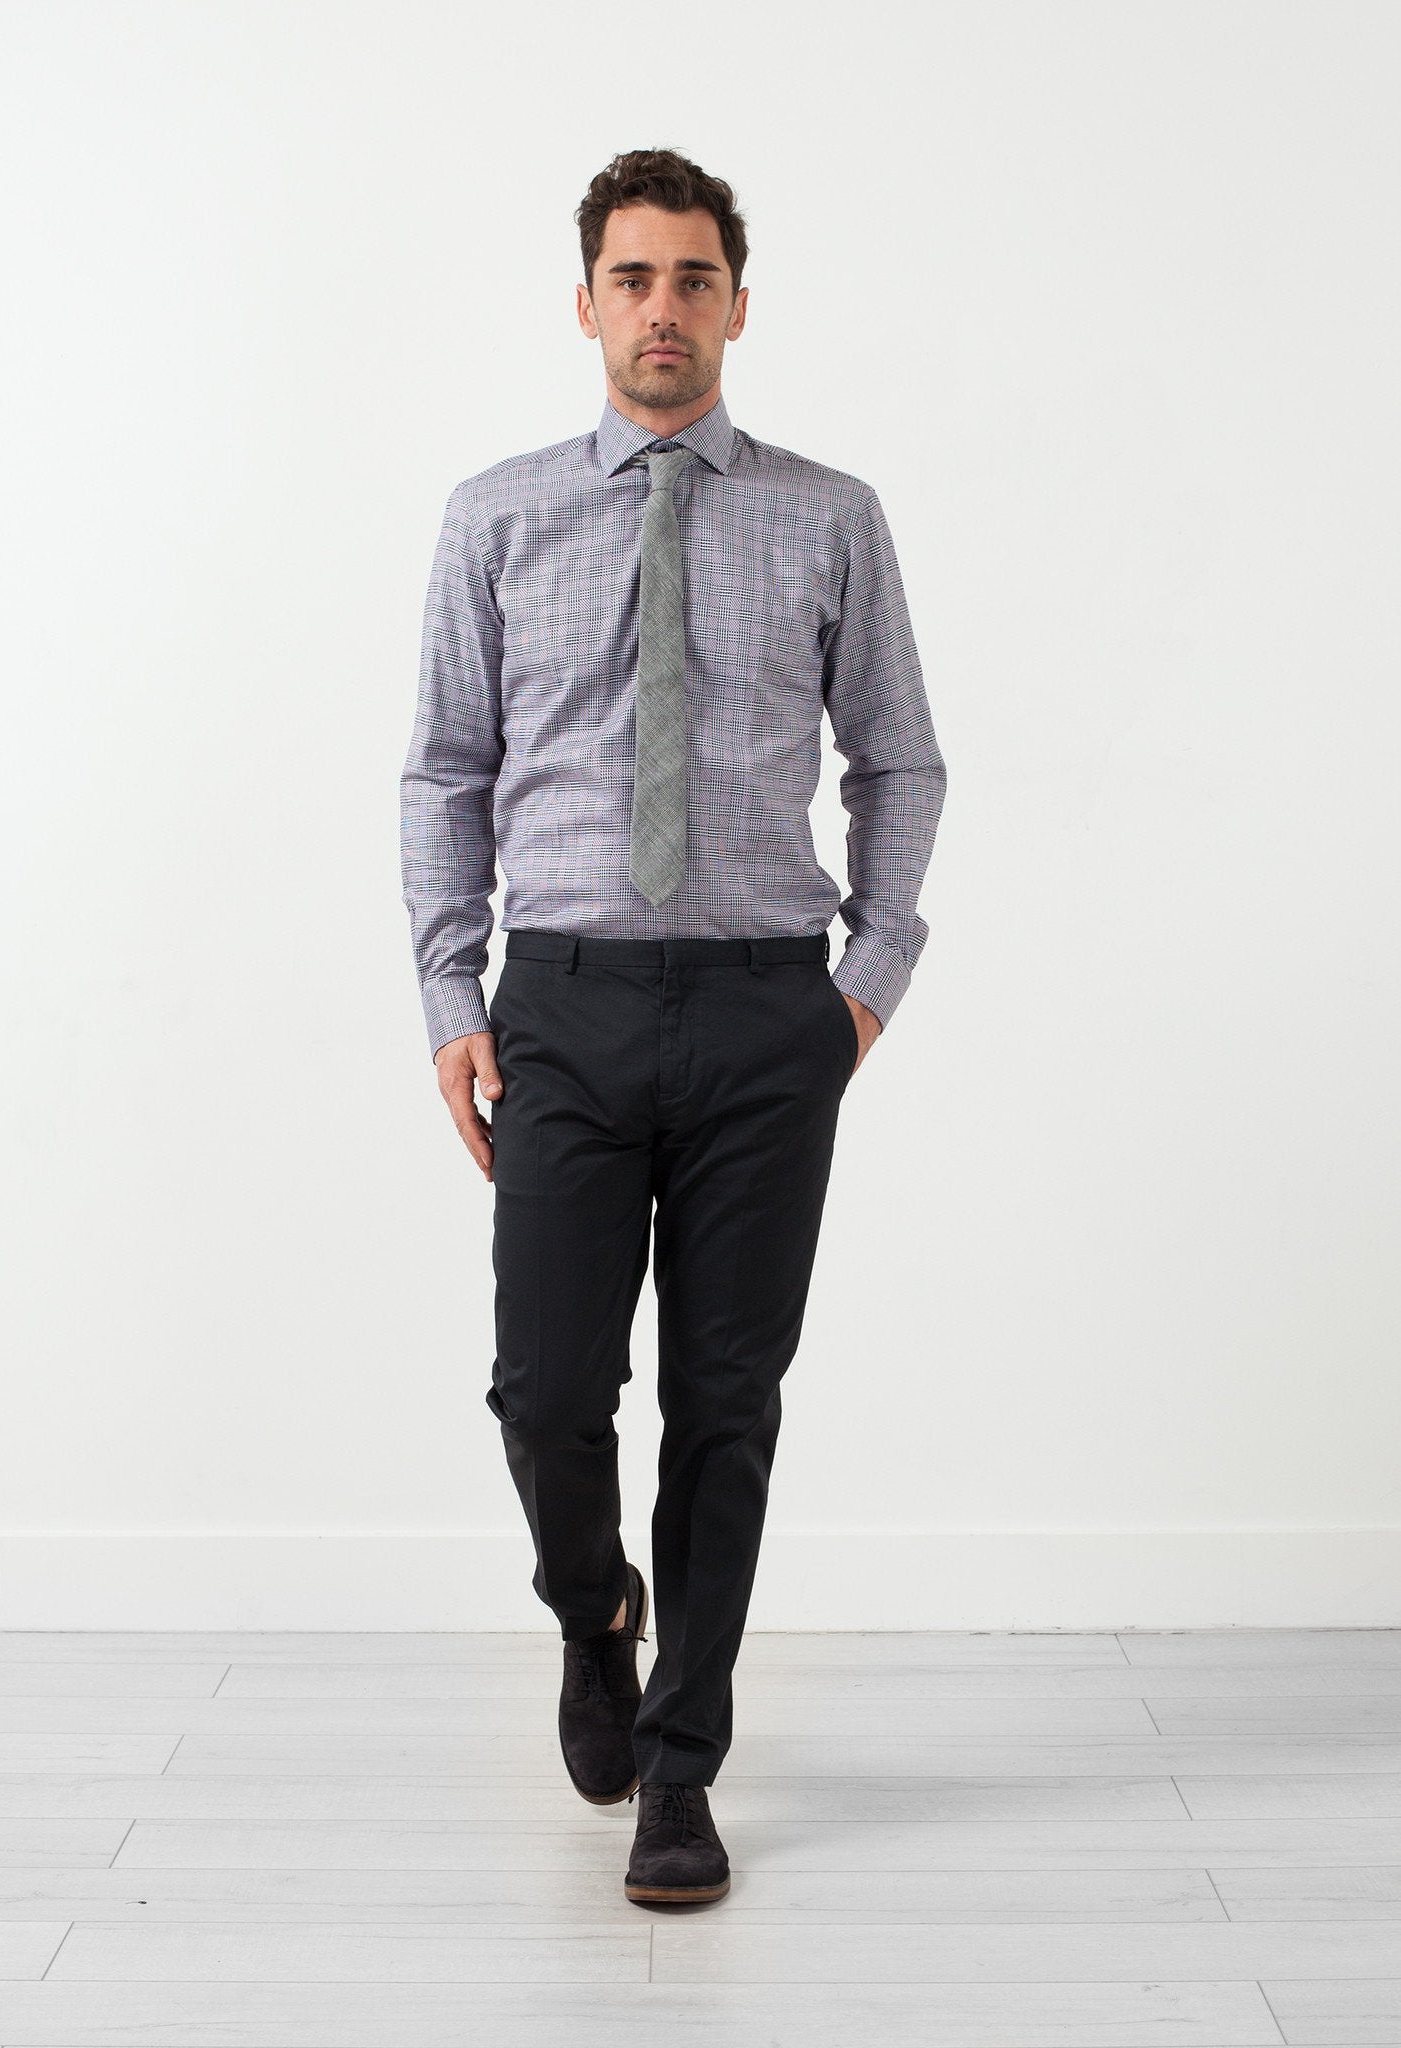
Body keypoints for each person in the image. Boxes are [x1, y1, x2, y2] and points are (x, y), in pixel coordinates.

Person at [399, 146, 946, 1907]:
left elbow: (899, 761)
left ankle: (683, 1768)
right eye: (632, 278)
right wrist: (450, 993)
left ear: (736, 305)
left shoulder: (830, 514)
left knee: (727, 1401)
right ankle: (595, 1614)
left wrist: (864, 983)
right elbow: (446, 770)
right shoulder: (494, 516)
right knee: (548, 1389)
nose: (663, 309)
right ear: (586, 304)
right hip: (562, 1004)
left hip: (766, 1013)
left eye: (693, 279)